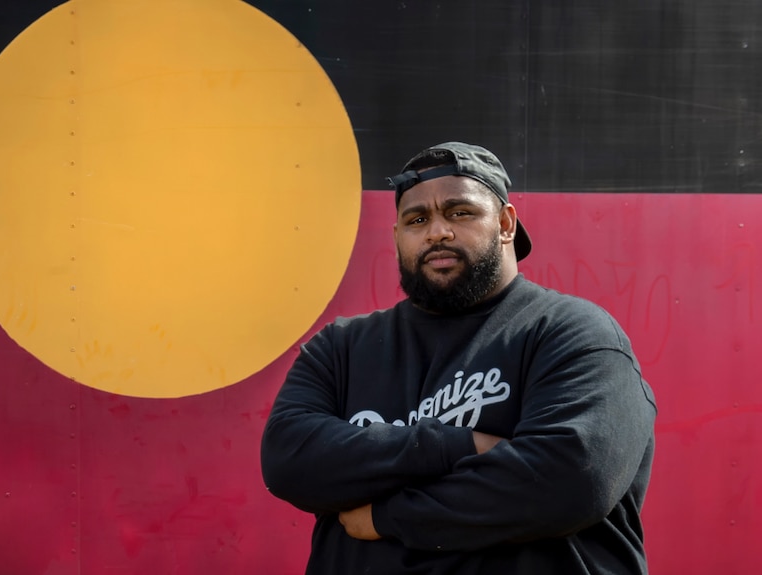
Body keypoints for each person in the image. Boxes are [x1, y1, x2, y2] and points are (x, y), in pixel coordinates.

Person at [260, 142, 657, 574]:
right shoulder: (340, 348)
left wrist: (384, 516)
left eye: (459, 212)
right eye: (417, 220)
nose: (437, 232)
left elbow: (572, 481)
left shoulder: (570, 332)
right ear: (397, 239)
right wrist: (455, 445)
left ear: (505, 224)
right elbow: (289, 460)